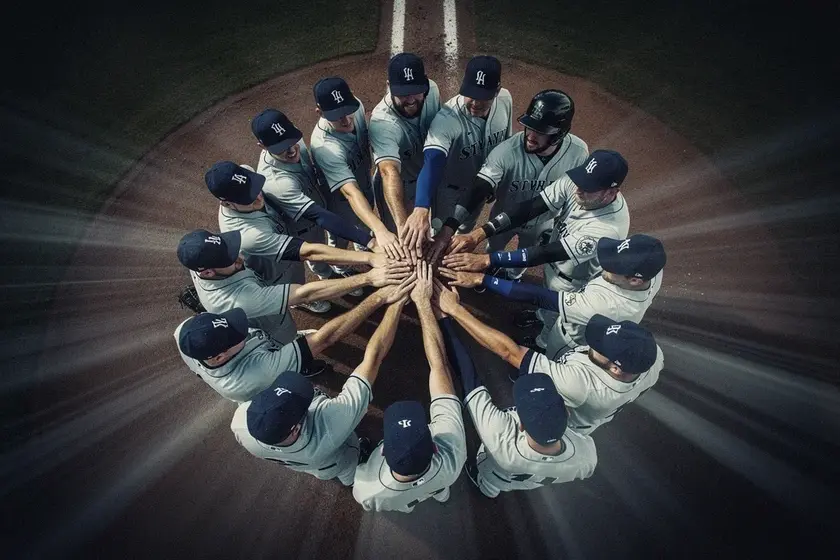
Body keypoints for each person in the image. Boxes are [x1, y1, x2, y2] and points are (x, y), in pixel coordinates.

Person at [229, 278, 414, 486]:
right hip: (334, 458)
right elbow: (373, 358)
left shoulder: (241, 422)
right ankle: (354, 475)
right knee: (349, 465)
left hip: (305, 462)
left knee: (324, 471)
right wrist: (395, 304)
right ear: (295, 428)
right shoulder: (332, 424)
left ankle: (346, 479)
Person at [442, 150, 631, 348]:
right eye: (581, 181)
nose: (579, 189)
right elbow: (533, 207)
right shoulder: (578, 182)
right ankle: (541, 316)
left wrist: (487, 260)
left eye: (589, 188)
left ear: (611, 192)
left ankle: (541, 345)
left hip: (574, 283)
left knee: (558, 325)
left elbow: (546, 253)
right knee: (545, 299)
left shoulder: (608, 228)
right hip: (556, 264)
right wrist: (479, 233)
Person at [433, 282, 663, 435]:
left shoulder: (580, 384)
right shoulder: (653, 358)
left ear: (615, 368)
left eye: (600, 346)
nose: (594, 341)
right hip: (591, 408)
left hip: (564, 421)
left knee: (535, 424)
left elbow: (509, 352)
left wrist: (455, 310)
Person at [173, 275, 416, 403]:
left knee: (286, 341)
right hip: (265, 384)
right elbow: (325, 338)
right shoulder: (256, 373)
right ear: (219, 355)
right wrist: (379, 298)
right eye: (235, 334)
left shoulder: (184, 331)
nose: (241, 329)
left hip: (252, 360)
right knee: (297, 399)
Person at [426, 90, 588, 281]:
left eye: (540, 132)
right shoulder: (506, 151)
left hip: (542, 223)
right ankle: (489, 273)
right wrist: (449, 227)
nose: (531, 135)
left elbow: (576, 195)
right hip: (501, 219)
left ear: (558, 135)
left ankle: (513, 276)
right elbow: (479, 188)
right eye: (529, 126)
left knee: (523, 261)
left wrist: (564, 224)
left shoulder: (578, 153)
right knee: (493, 250)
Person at [352, 262, 467, 512]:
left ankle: (429, 491)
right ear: (435, 446)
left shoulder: (366, 492)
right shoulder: (453, 456)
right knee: (439, 485)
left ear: (383, 454)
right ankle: (437, 490)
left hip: (394, 497)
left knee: (407, 500)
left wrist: (398, 299)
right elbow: (439, 368)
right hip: (441, 476)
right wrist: (424, 304)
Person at [440, 233, 666, 356]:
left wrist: (482, 279)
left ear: (635, 280)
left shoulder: (606, 306)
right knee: (547, 316)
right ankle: (539, 331)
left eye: (613, 267)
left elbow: (544, 298)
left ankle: (540, 353)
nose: (605, 265)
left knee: (553, 350)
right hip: (586, 305)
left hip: (575, 337)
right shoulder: (651, 270)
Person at [176, 228, 410, 346]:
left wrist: (368, 259)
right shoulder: (237, 300)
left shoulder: (199, 257)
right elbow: (304, 293)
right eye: (230, 259)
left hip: (253, 294)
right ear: (206, 273)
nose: (238, 255)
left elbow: (306, 251)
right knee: (282, 339)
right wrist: (369, 278)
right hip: (259, 323)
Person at [207, 161, 392, 307]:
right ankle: (304, 304)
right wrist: (369, 257)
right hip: (269, 264)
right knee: (292, 286)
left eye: (255, 187)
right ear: (227, 204)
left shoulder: (245, 172)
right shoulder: (248, 234)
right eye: (247, 197)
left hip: (278, 233)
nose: (258, 196)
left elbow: (317, 216)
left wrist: (370, 241)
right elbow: (308, 252)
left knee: (300, 266)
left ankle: (324, 277)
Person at [252, 108, 381, 309]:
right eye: (281, 147)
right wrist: (369, 241)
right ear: (262, 146)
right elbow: (319, 217)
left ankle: (338, 265)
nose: (291, 149)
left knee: (338, 235)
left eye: (290, 140)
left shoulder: (295, 142)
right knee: (316, 248)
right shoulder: (276, 182)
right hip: (301, 221)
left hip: (318, 200)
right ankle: (327, 275)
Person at [400, 56, 513, 258]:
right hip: (449, 192)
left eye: (483, 96)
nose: (475, 103)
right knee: (438, 234)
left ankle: (453, 260)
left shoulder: (505, 99)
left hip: (480, 189)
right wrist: (421, 207)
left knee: (466, 227)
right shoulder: (446, 119)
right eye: (470, 94)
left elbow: (506, 143)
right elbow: (433, 160)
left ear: (496, 91)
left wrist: (496, 182)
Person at [310, 76, 405, 264]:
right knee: (341, 236)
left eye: (347, 110)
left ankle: (361, 246)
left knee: (365, 215)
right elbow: (350, 193)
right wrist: (380, 230)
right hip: (340, 200)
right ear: (319, 112)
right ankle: (340, 268)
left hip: (363, 180)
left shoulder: (358, 107)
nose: (345, 120)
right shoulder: (324, 147)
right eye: (336, 115)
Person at [369, 52, 441, 243]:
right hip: (401, 181)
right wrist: (402, 226)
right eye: (402, 93)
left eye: (416, 91)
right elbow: (389, 171)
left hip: (430, 173)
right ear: (388, 87)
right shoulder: (382, 122)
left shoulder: (432, 91)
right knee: (402, 237)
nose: (410, 100)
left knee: (434, 226)